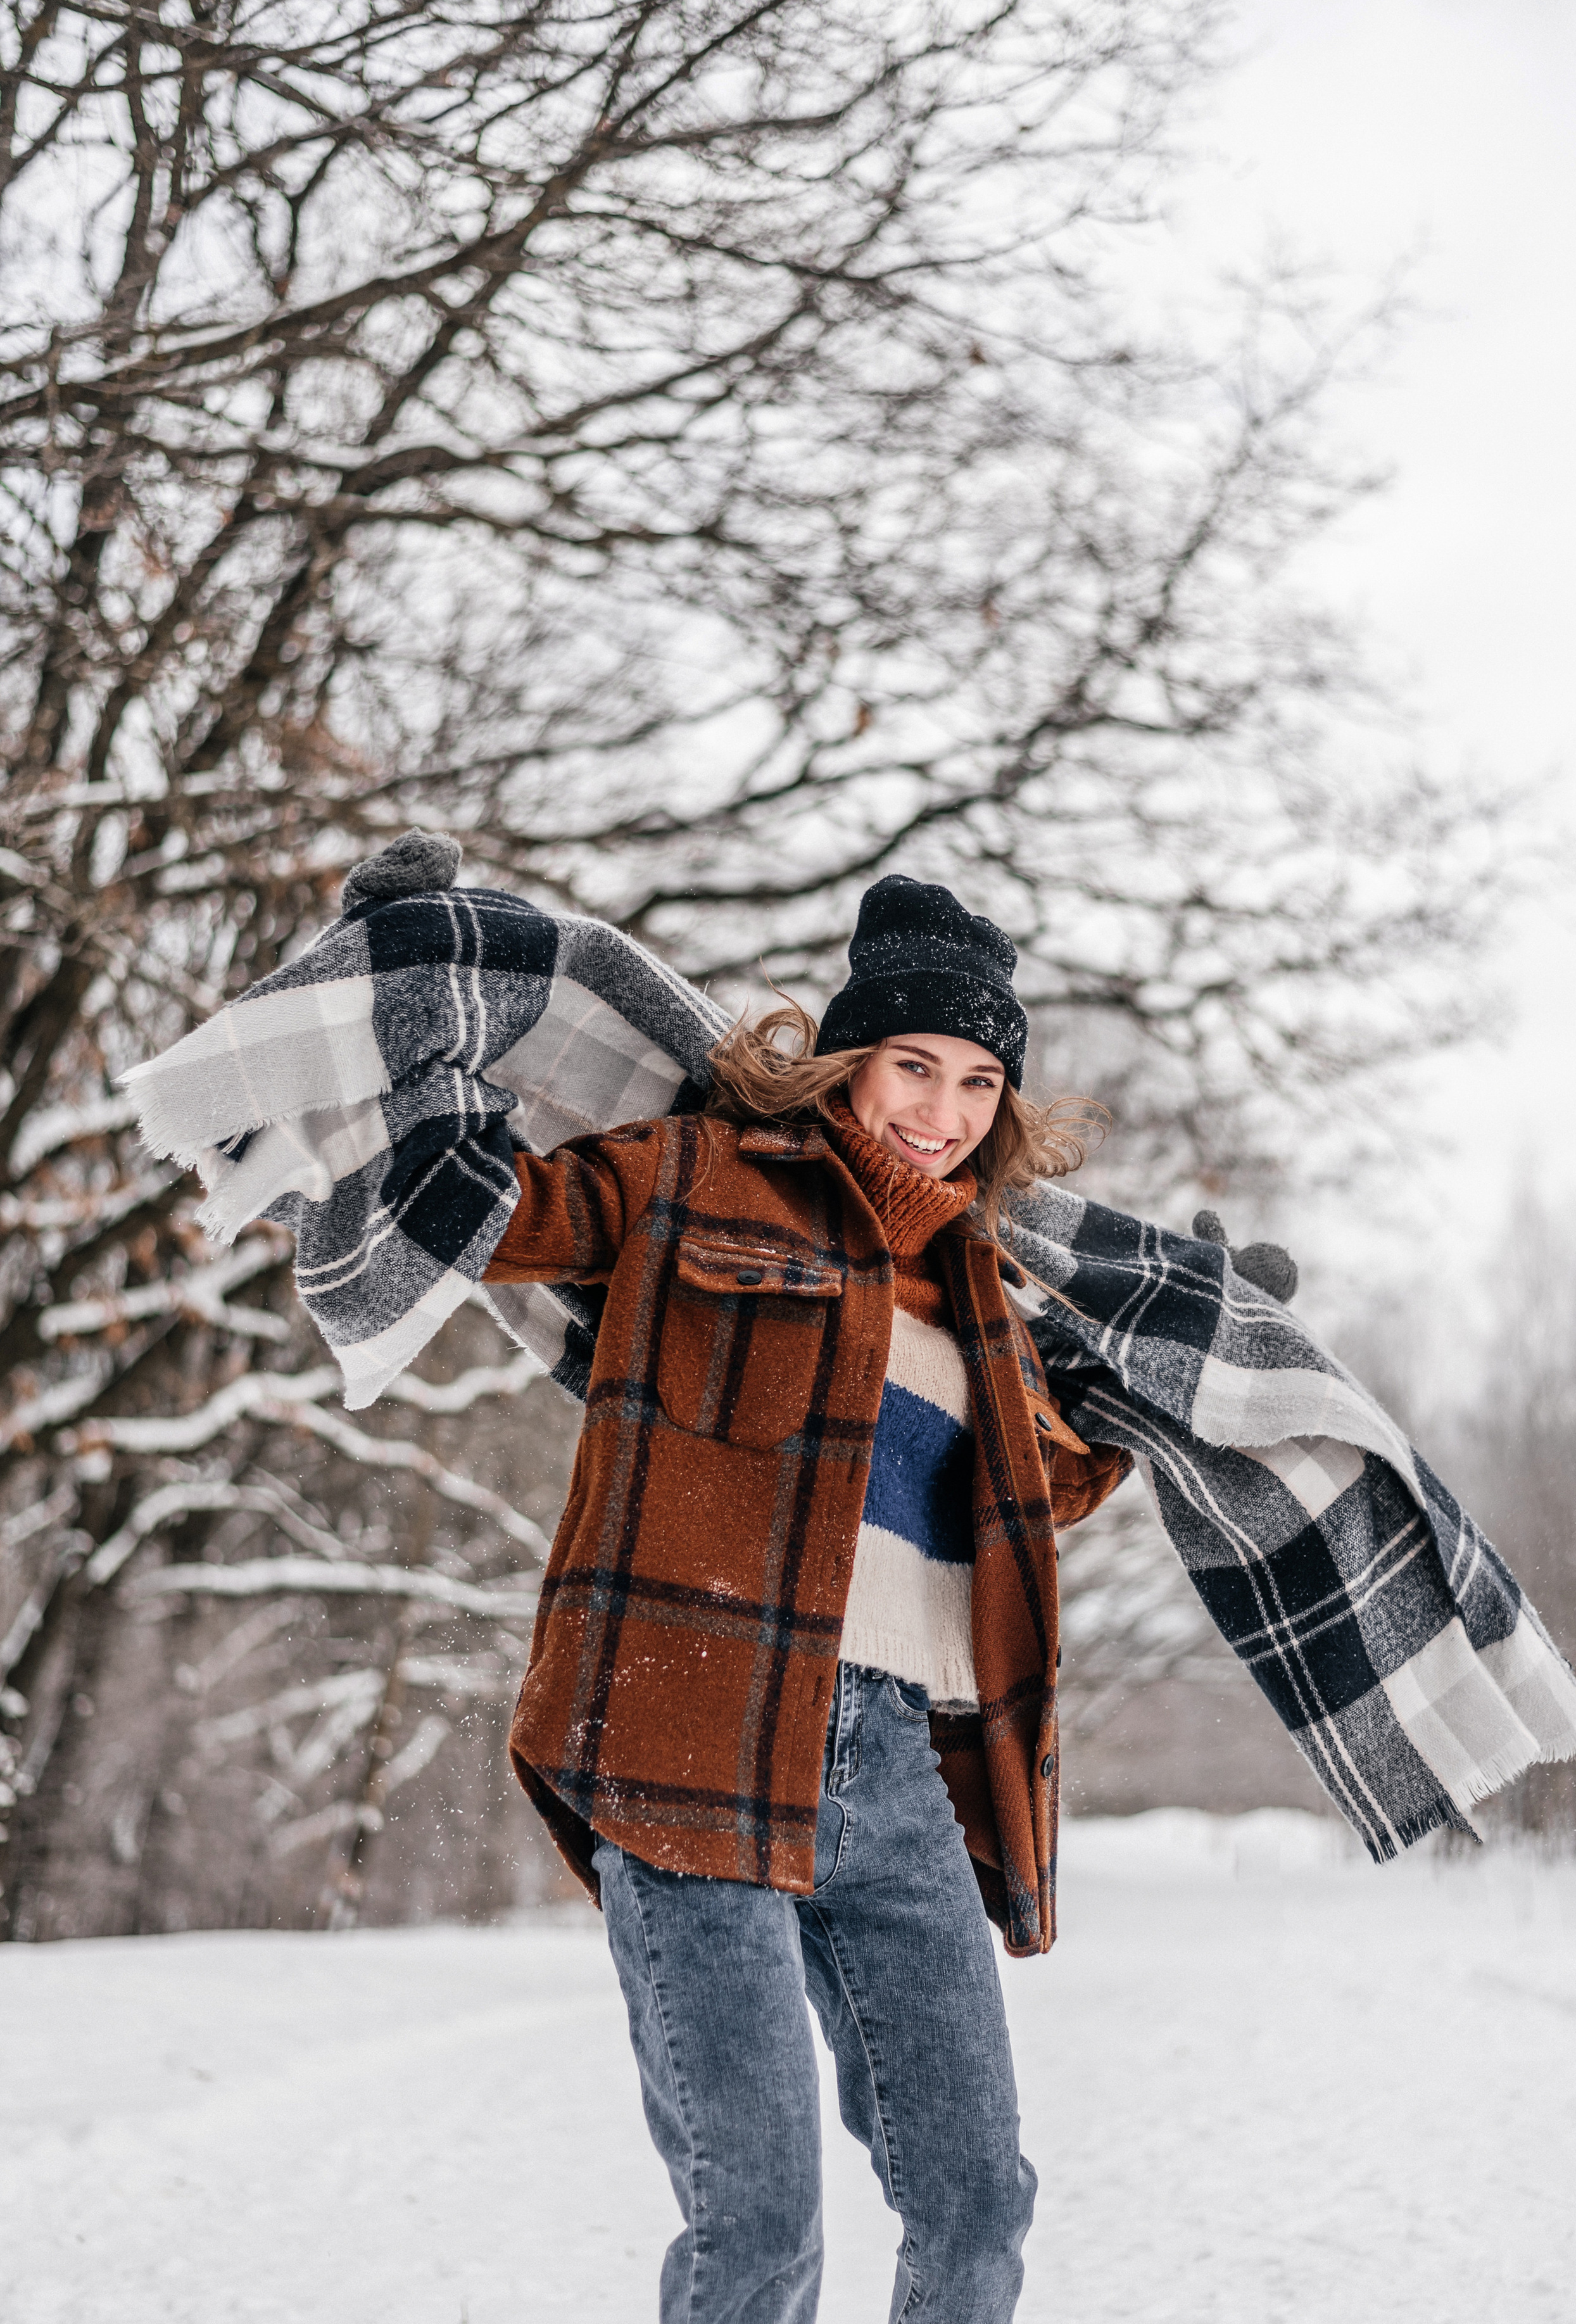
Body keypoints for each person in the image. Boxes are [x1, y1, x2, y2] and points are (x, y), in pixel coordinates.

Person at [482, 873, 1131, 2323]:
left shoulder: (980, 1283)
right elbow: (497, 1211)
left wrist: (1170, 1381)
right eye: (915, 1066)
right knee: (759, 2225)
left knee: (975, 2204)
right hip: (688, 1736)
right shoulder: (695, 1175)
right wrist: (424, 1003)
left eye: (977, 1082)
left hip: (893, 1760)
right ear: (848, 1061)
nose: (943, 1110)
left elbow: (1032, 1490)